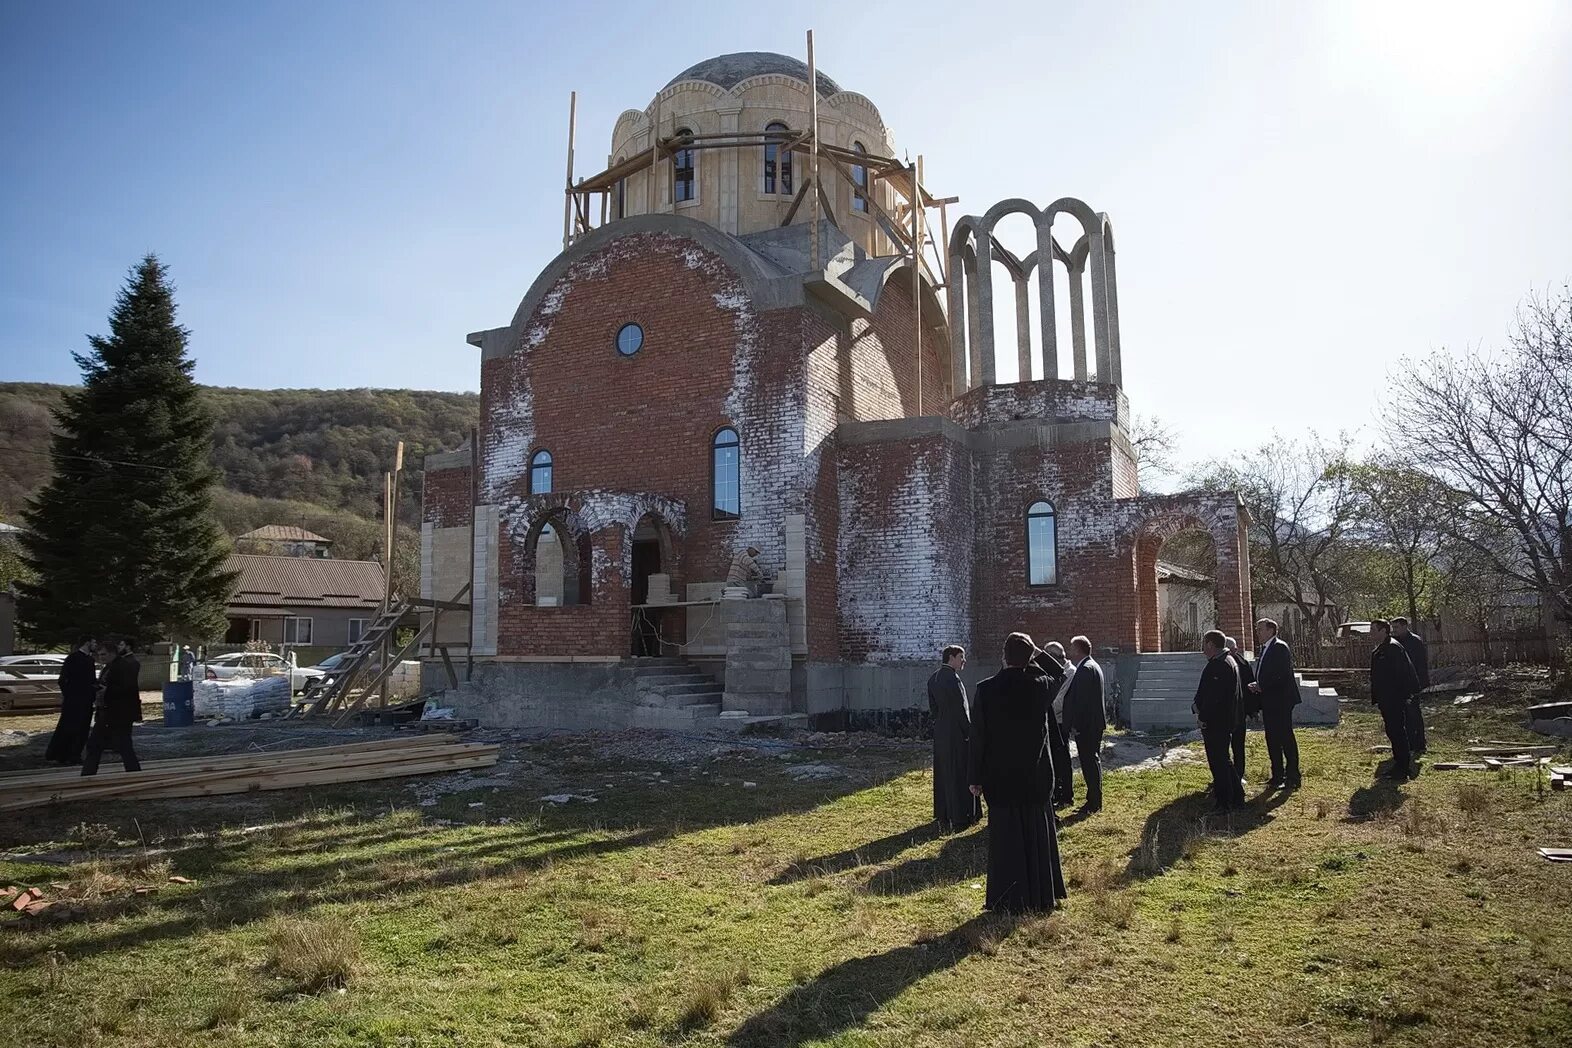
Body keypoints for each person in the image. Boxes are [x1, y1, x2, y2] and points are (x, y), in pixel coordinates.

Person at [966, 631, 1067, 913]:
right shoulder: (1040, 686)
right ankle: (1040, 895)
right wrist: (1037, 652)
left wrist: (974, 778)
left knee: (1005, 841)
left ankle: (1006, 898)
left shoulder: (985, 690)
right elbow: (1059, 672)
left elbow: (978, 738)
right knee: (1037, 836)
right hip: (1034, 778)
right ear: (1029, 657)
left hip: (999, 779)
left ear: (1003, 656)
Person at [927, 645, 976, 832]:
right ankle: (961, 814)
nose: (964, 661)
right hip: (956, 732)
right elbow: (961, 710)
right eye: (961, 657)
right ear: (951, 657)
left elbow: (934, 709)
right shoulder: (953, 679)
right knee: (959, 770)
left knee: (943, 770)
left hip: (941, 730)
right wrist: (969, 733)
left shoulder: (934, 678)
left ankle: (943, 811)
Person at [1195, 630, 1245, 811]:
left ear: (1210, 644)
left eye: (1204, 643)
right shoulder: (1226, 660)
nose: (1202, 648)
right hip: (1223, 720)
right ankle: (1237, 795)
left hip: (1217, 721)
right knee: (1224, 759)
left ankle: (1225, 801)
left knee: (1218, 761)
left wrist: (1203, 717)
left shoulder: (1220, 664)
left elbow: (1214, 697)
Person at [1248, 618, 1301, 788]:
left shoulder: (1279, 647)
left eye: (1260, 629)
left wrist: (1261, 685)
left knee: (1285, 736)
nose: (1258, 633)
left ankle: (1293, 775)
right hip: (1269, 699)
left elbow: (1281, 674)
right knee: (1272, 737)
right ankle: (1277, 775)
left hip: (1281, 700)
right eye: (1257, 629)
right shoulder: (1265, 648)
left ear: (1271, 631)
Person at [82, 637, 142, 776]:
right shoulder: (110, 667)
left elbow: (128, 688)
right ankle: (87, 775)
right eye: (99, 654)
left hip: (119, 713)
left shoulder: (123, 666)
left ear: (112, 653)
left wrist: (106, 690)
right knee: (95, 745)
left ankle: (135, 775)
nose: (100, 657)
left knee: (123, 746)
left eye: (103, 654)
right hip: (107, 712)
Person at [1370, 619, 1422, 780]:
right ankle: (1398, 764)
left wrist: (1407, 695)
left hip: (1395, 698)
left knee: (1398, 731)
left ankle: (1403, 768)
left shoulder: (1392, 647)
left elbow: (1404, 673)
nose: (1371, 633)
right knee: (1392, 731)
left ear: (1384, 631)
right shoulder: (1382, 647)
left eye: (1374, 630)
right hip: (1386, 698)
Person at [1061, 635, 1107, 814]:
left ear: (1078, 650)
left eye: (1072, 648)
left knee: (1089, 763)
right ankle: (1093, 799)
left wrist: (1076, 725)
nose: (1070, 651)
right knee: (1091, 761)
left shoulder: (1086, 669)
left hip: (1087, 726)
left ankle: (1094, 802)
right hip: (1093, 724)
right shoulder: (1091, 666)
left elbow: (1082, 702)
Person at [1032, 641, 1076, 807]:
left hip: (1060, 721)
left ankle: (1066, 794)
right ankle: (1058, 792)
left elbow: (1059, 699)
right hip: (1055, 719)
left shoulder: (1069, 672)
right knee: (1056, 759)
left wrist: (1043, 706)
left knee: (1062, 759)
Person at [45, 638, 99, 765]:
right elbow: (63, 679)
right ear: (87, 643)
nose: (95, 645)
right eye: (94, 643)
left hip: (84, 700)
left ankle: (73, 754)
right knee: (69, 727)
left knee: (81, 729)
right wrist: (70, 695)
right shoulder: (73, 658)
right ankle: (62, 754)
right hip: (74, 700)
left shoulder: (89, 659)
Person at [1391, 616, 1429, 755]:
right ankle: (1409, 743)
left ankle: (1420, 743)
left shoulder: (1415, 641)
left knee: (1414, 713)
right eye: (1393, 627)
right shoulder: (1394, 641)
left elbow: (1420, 664)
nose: (1394, 630)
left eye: (1396, 627)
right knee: (1404, 715)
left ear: (1405, 626)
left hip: (1413, 683)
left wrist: (1419, 684)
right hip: (1400, 683)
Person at [1224, 636, 1257, 786]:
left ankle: (1238, 773)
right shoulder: (1220, 663)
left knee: (1238, 744)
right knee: (1223, 745)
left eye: (1230, 650)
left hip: (1239, 710)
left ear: (1235, 650)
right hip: (1224, 711)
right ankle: (1226, 774)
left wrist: (1252, 710)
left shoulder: (1243, 665)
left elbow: (1249, 688)